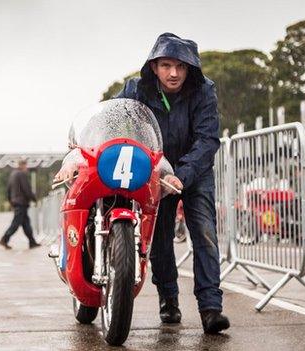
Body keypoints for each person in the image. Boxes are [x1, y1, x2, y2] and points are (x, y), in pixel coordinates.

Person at [55, 33, 229, 334]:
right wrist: (79, 157)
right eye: (166, 65)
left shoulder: (204, 92)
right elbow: (108, 124)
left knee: (205, 234)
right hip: (150, 172)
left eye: (181, 66)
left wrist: (180, 175)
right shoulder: (136, 89)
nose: (173, 73)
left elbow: (207, 139)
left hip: (193, 173)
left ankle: (211, 309)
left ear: (190, 69)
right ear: (154, 66)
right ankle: (169, 300)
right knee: (159, 239)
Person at [0, 159, 41, 249]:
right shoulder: (21, 174)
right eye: (26, 166)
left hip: (16, 202)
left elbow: (8, 190)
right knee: (16, 223)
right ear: (23, 165)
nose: (26, 168)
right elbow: (26, 189)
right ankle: (4, 239)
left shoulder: (13, 174)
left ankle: (32, 242)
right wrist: (34, 199)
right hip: (21, 202)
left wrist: (11, 201)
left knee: (26, 224)